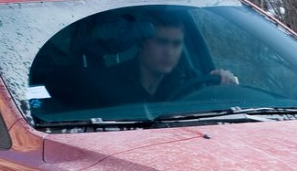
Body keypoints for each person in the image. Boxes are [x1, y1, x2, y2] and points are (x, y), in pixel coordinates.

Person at [95, 11, 238, 106]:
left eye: (176, 44)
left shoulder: (192, 82)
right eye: (161, 42)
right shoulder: (109, 82)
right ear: (142, 42)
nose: (169, 52)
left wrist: (224, 88)